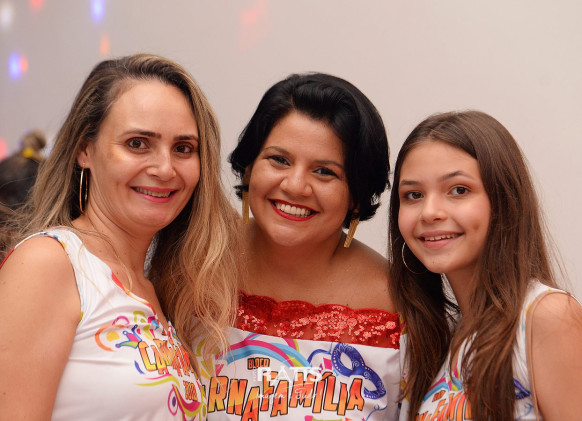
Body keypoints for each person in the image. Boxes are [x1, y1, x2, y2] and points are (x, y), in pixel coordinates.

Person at [0, 53, 240, 420]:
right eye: (137, 143)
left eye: (183, 149)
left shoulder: (154, 287)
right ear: (85, 149)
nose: (165, 168)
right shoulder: (48, 263)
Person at [194, 73, 401, 420]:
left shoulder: (397, 303)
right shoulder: (191, 263)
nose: (295, 186)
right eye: (279, 160)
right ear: (248, 168)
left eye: (324, 172)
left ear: (356, 196)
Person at [389, 110, 582, 420]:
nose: (429, 212)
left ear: (504, 200)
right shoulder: (438, 341)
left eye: (459, 190)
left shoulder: (546, 316)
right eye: (413, 194)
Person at [0, 129, 46, 209]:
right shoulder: (42, 168)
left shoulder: (7, 162)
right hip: (26, 213)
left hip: (3, 211)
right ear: (40, 147)